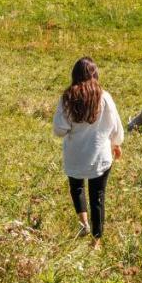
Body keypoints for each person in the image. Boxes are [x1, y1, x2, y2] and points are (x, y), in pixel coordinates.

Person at [52, 57, 123, 248]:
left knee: (77, 187)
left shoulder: (68, 97)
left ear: (74, 75)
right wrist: (116, 143)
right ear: (95, 74)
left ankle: (83, 223)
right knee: (97, 194)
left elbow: (59, 130)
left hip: (75, 156)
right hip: (100, 156)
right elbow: (116, 126)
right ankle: (96, 240)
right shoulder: (104, 97)